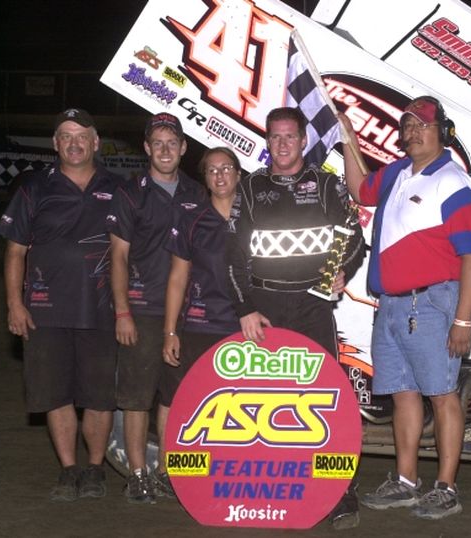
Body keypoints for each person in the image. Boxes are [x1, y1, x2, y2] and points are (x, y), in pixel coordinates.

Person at [339, 96, 471, 520]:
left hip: (434, 303)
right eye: (408, 124)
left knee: (442, 395)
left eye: (423, 124)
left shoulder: (454, 182)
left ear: (443, 132)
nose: (414, 131)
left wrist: (462, 319)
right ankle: (404, 481)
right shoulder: (398, 172)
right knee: (404, 396)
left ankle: (446, 487)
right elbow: (359, 189)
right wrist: (348, 139)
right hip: (391, 305)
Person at [226, 106, 365, 529]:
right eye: (275, 137)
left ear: (304, 140)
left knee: (326, 398)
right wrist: (245, 308)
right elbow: (233, 255)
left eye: (290, 137)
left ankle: (340, 491)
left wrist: (339, 273)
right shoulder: (249, 187)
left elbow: (352, 235)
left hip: (311, 306)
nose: (283, 144)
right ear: (267, 141)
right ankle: (271, 487)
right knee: (266, 400)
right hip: (264, 310)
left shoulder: (327, 183)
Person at [0, 108, 122, 501]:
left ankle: (95, 469)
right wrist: (15, 305)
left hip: (102, 312)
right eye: (65, 136)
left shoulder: (120, 188)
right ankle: (69, 469)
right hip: (45, 311)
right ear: (55, 144)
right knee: (55, 394)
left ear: (95, 142)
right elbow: (14, 252)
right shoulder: (34, 188)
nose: (74, 142)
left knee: (99, 396)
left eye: (81, 135)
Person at [107, 112, 206, 503]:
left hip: (187, 312)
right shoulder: (130, 193)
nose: (165, 149)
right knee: (136, 396)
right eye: (157, 142)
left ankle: (166, 471)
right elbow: (117, 257)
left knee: (175, 395)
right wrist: (122, 311)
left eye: (173, 142)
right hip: (143, 309)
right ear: (147, 148)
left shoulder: (197, 194)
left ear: (183, 148)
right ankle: (137, 474)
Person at [160, 147, 243, 444]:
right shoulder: (192, 219)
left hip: (245, 328)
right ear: (205, 178)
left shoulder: (255, 217)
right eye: (212, 170)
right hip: (200, 326)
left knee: (239, 403)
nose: (220, 175)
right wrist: (170, 332)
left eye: (226, 168)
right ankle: (169, 470)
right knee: (186, 398)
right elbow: (177, 278)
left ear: (238, 173)